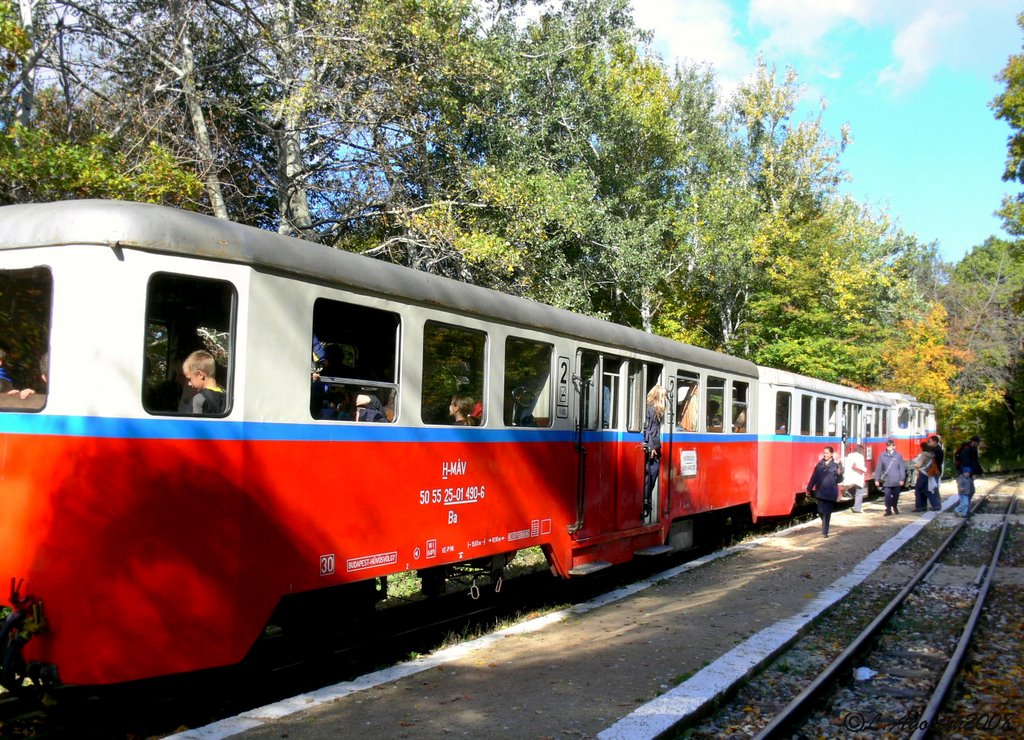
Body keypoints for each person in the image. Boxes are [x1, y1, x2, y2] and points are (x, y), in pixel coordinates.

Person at [642, 385, 667, 520]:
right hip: (652, 446)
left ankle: (646, 499)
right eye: (663, 396)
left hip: (655, 446)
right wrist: (651, 447)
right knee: (650, 472)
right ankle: (645, 499)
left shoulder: (656, 410)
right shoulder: (649, 409)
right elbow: (646, 429)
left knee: (653, 472)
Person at [807, 446, 842, 537]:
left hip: (831, 492)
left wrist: (840, 473)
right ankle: (825, 524)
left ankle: (825, 532)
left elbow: (839, 480)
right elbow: (814, 477)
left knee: (827, 513)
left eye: (827, 453)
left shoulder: (835, 465)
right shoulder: (819, 465)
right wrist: (809, 488)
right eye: (824, 453)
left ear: (831, 454)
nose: (825, 455)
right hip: (820, 492)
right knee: (820, 511)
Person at [182, 350, 225, 414]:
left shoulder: (198, 399)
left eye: (189, 379)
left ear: (200, 375)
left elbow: (194, 423)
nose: (189, 383)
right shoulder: (226, 395)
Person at [874, 439, 907, 516]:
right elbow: (878, 468)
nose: (889, 448)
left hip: (896, 480)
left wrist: (902, 478)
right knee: (887, 496)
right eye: (887, 446)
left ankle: (894, 506)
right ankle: (888, 510)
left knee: (896, 495)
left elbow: (901, 468)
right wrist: (876, 479)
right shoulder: (882, 456)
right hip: (886, 480)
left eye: (890, 446)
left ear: (893, 447)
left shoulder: (898, 456)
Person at [954, 436, 983, 517]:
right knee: (967, 491)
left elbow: (975, 461)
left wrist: (979, 471)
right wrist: (968, 473)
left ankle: (964, 509)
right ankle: (962, 510)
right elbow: (966, 462)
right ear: (973, 441)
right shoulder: (966, 450)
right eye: (978, 442)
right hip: (965, 474)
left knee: (970, 491)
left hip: (968, 473)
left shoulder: (973, 449)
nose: (978, 444)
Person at [842, 443, 868, 513]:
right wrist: (866, 469)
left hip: (850, 477)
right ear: (861, 451)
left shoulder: (850, 455)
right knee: (859, 492)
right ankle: (857, 508)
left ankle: (847, 492)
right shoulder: (860, 457)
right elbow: (861, 467)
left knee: (855, 491)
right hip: (858, 477)